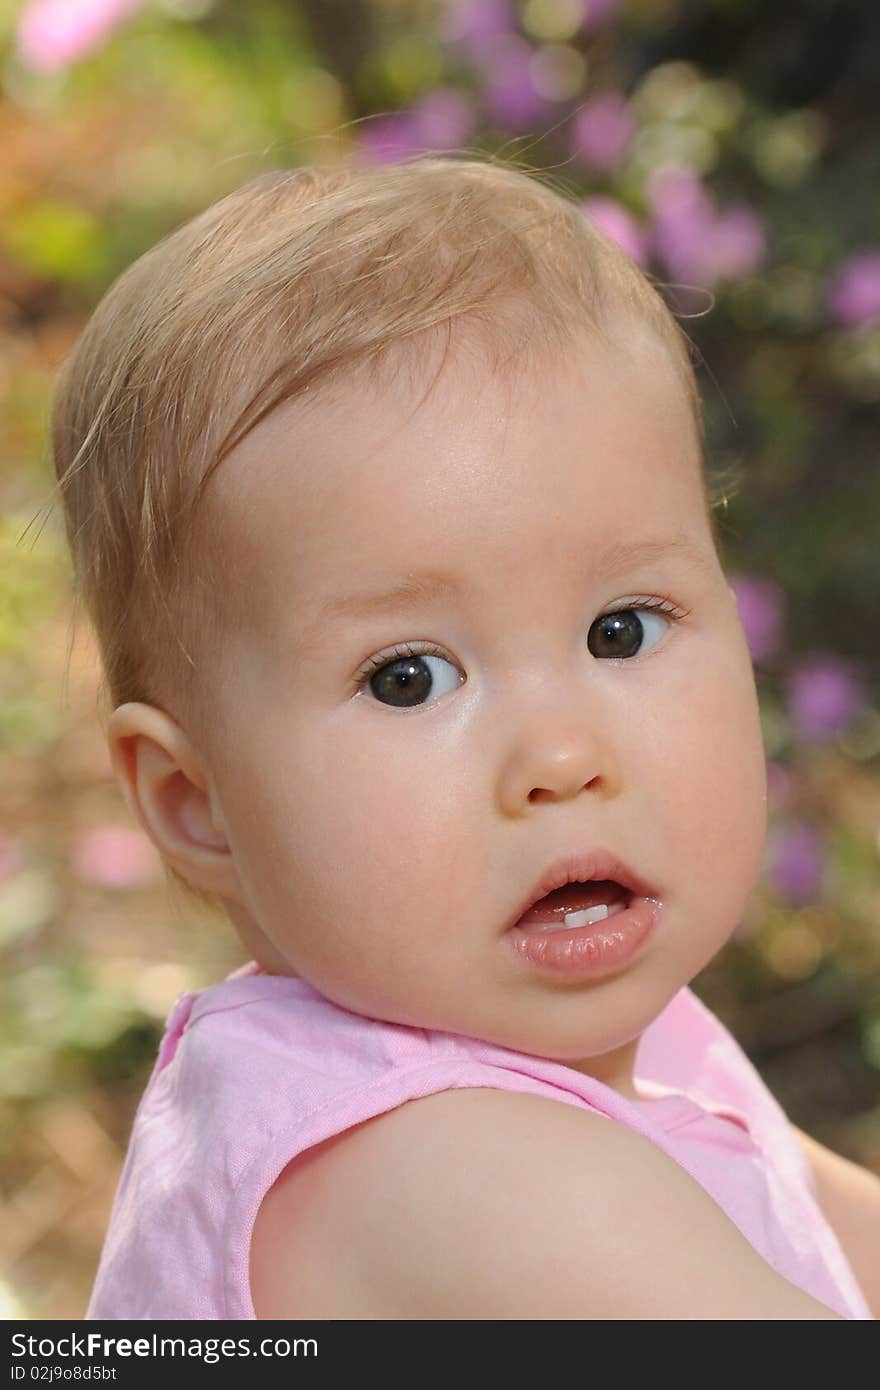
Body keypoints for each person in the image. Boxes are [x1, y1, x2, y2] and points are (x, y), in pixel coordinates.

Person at [48, 154, 878, 1320]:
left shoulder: (626, 1050)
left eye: (621, 627)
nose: (560, 756)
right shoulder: (446, 1172)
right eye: (409, 677)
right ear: (198, 802)